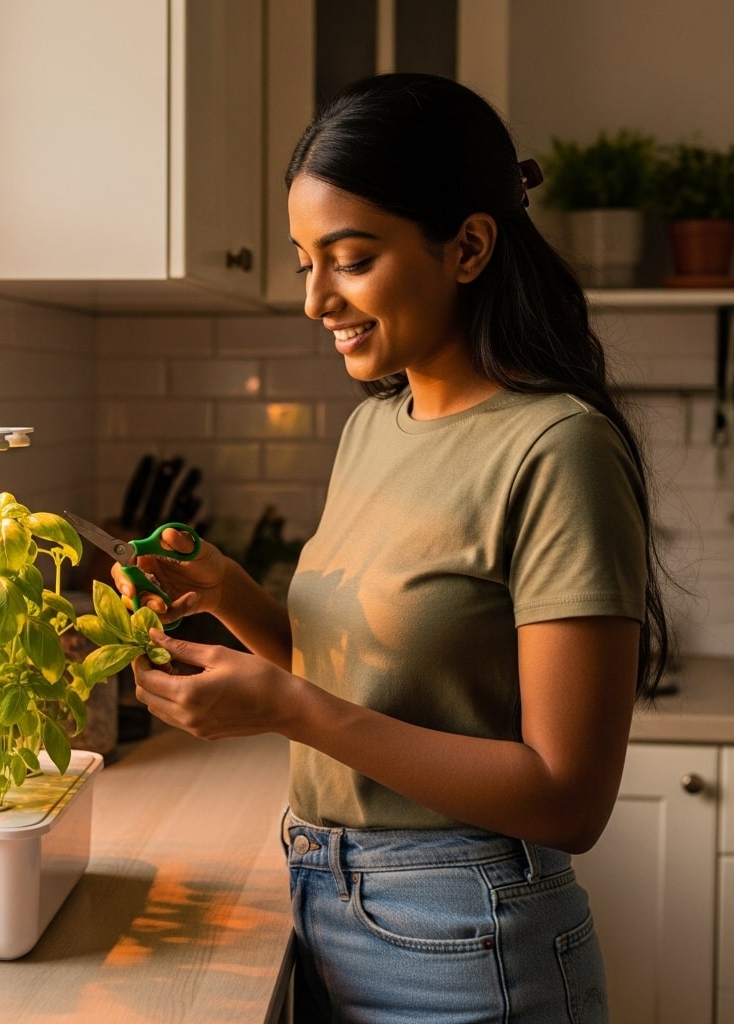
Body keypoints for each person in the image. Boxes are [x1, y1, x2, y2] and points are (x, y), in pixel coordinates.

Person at [112, 72, 670, 1023]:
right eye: (303, 262)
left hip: (464, 937)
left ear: (468, 247)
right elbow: (368, 686)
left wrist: (288, 708)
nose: (315, 299)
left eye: (351, 259)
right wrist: (231, 594)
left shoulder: (556, 448)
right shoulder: (377, 425)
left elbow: (570, 798)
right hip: (325, 900)